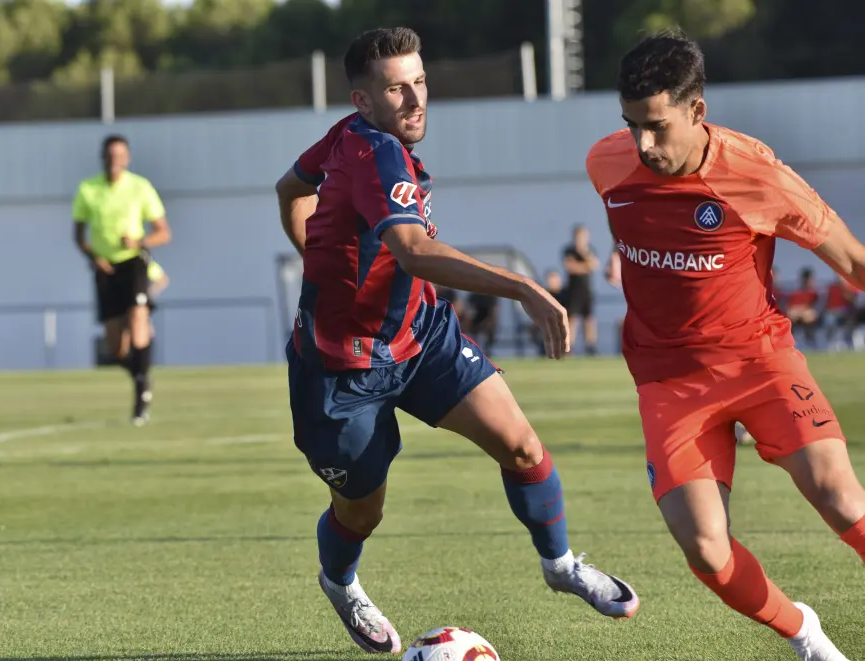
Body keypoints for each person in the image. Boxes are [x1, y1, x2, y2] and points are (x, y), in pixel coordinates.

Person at [274, 26, 639, 655]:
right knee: (363, 513)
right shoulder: (370, 150)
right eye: (397, 88)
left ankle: (560, 566)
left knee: (522, 447)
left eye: (420, 81)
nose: (416, 100)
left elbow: (292, 188)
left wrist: (321, 253)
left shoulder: (352, 136)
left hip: (423, 336)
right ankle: (340, 580)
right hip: (341, 371)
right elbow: (413, 251)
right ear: (363, 101)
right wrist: (522, 287)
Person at [586, 30, 865, 661]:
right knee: (707, 553)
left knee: (842, 498)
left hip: (760, 363)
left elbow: (852, 260)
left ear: (696, 111)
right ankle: (804, 633)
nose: (642, 144)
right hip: (668, 383)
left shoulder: (759, 176)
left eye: (656, 126)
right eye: (631, 126)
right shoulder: (606, 163)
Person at [73, 134, 171, 426]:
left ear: (127, 159)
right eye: (110, 155)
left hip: (134, 264)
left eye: (120, 155)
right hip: (105, 270)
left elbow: (163, 232)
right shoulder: (88, 190)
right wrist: (93, 256)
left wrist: (139, 239)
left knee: (139, 319)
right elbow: (78, 235)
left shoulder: (140, 187)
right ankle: (141, 372)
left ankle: (141, 399)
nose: (115, 160)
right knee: (116, 347)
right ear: (102, 158)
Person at [562, 224, 601, 354]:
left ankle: (590, 346)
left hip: (587, 290)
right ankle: (569, 346)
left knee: (589, 318)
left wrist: (584, 254)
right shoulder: (569, 250)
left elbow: (594, 264)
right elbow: (570, 267)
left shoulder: (590, 250)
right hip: (573, 290)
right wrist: (585, 267)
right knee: (572, 318)